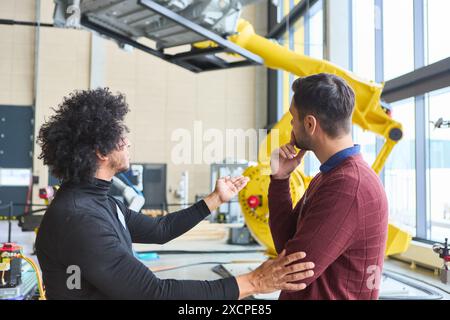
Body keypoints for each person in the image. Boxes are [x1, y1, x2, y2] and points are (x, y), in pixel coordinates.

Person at [35, 88, 315, 300]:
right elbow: (153, 293)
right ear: (101, 151)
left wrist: (215, 199)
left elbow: (160, 229)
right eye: (121, 137)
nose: (128, 142)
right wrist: (253, 282)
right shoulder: (80, 218)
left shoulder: (100, 202)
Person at [269, 73, 388, 300]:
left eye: (293, 118)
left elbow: (293, 273)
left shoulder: (348, 187)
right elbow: (285, 244)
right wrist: (280, 180)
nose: (292, 125)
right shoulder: (329, 177)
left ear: (310, 124)